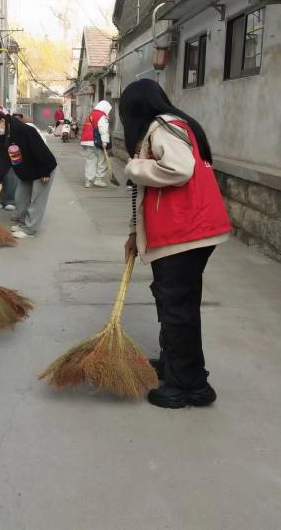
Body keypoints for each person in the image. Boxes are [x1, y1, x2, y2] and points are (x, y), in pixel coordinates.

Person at [120, 79, 231, 409]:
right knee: (177, 303)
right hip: (189, 231)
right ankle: (176, 365)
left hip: (184, 233)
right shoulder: (174, 125)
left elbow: (179, 169)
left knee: (177, 307)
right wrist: (135, 233)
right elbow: (148, 192)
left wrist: (133, 166)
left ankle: (188, 385)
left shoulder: (163, 127)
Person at [0, 111, 57, 239]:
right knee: (20, 198)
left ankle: (30, 230)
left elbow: (40, 150)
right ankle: (24, 224)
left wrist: (45, 171)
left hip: (42, 167)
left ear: (2, 121)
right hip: (26, 170)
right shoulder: (3, 136)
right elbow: (3, 159)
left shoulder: (24, 130)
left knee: (37, 200)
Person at [80, 100, 113, 188]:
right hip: (97, 142)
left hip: (87, 141)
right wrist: (105, 142)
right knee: (102, 160)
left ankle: (88, 181)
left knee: (90, 161)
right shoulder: (102, 116)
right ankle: (98, 179)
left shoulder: (91, 114)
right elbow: (103, 130)